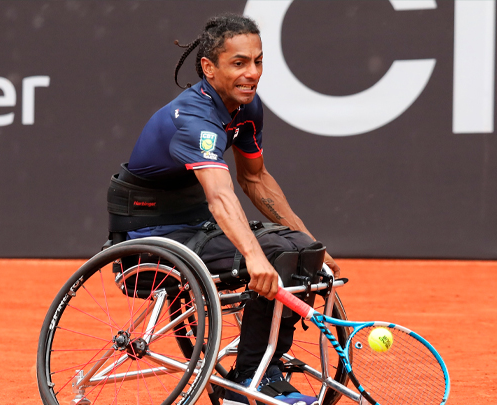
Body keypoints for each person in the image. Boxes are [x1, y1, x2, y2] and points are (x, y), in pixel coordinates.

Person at [106, 13, 340, 405]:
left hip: (196, 227)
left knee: (303, 250)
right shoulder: (194, 118)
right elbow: (220, 196)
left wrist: (311, 242)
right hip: (150, 238)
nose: (253, 73)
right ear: (209, 67)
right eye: (239, 63)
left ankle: (264, 368)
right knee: (275, 254)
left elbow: (255, 179)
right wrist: (254, 255)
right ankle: (251, 379)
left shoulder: (246, 108)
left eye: (258, 61)